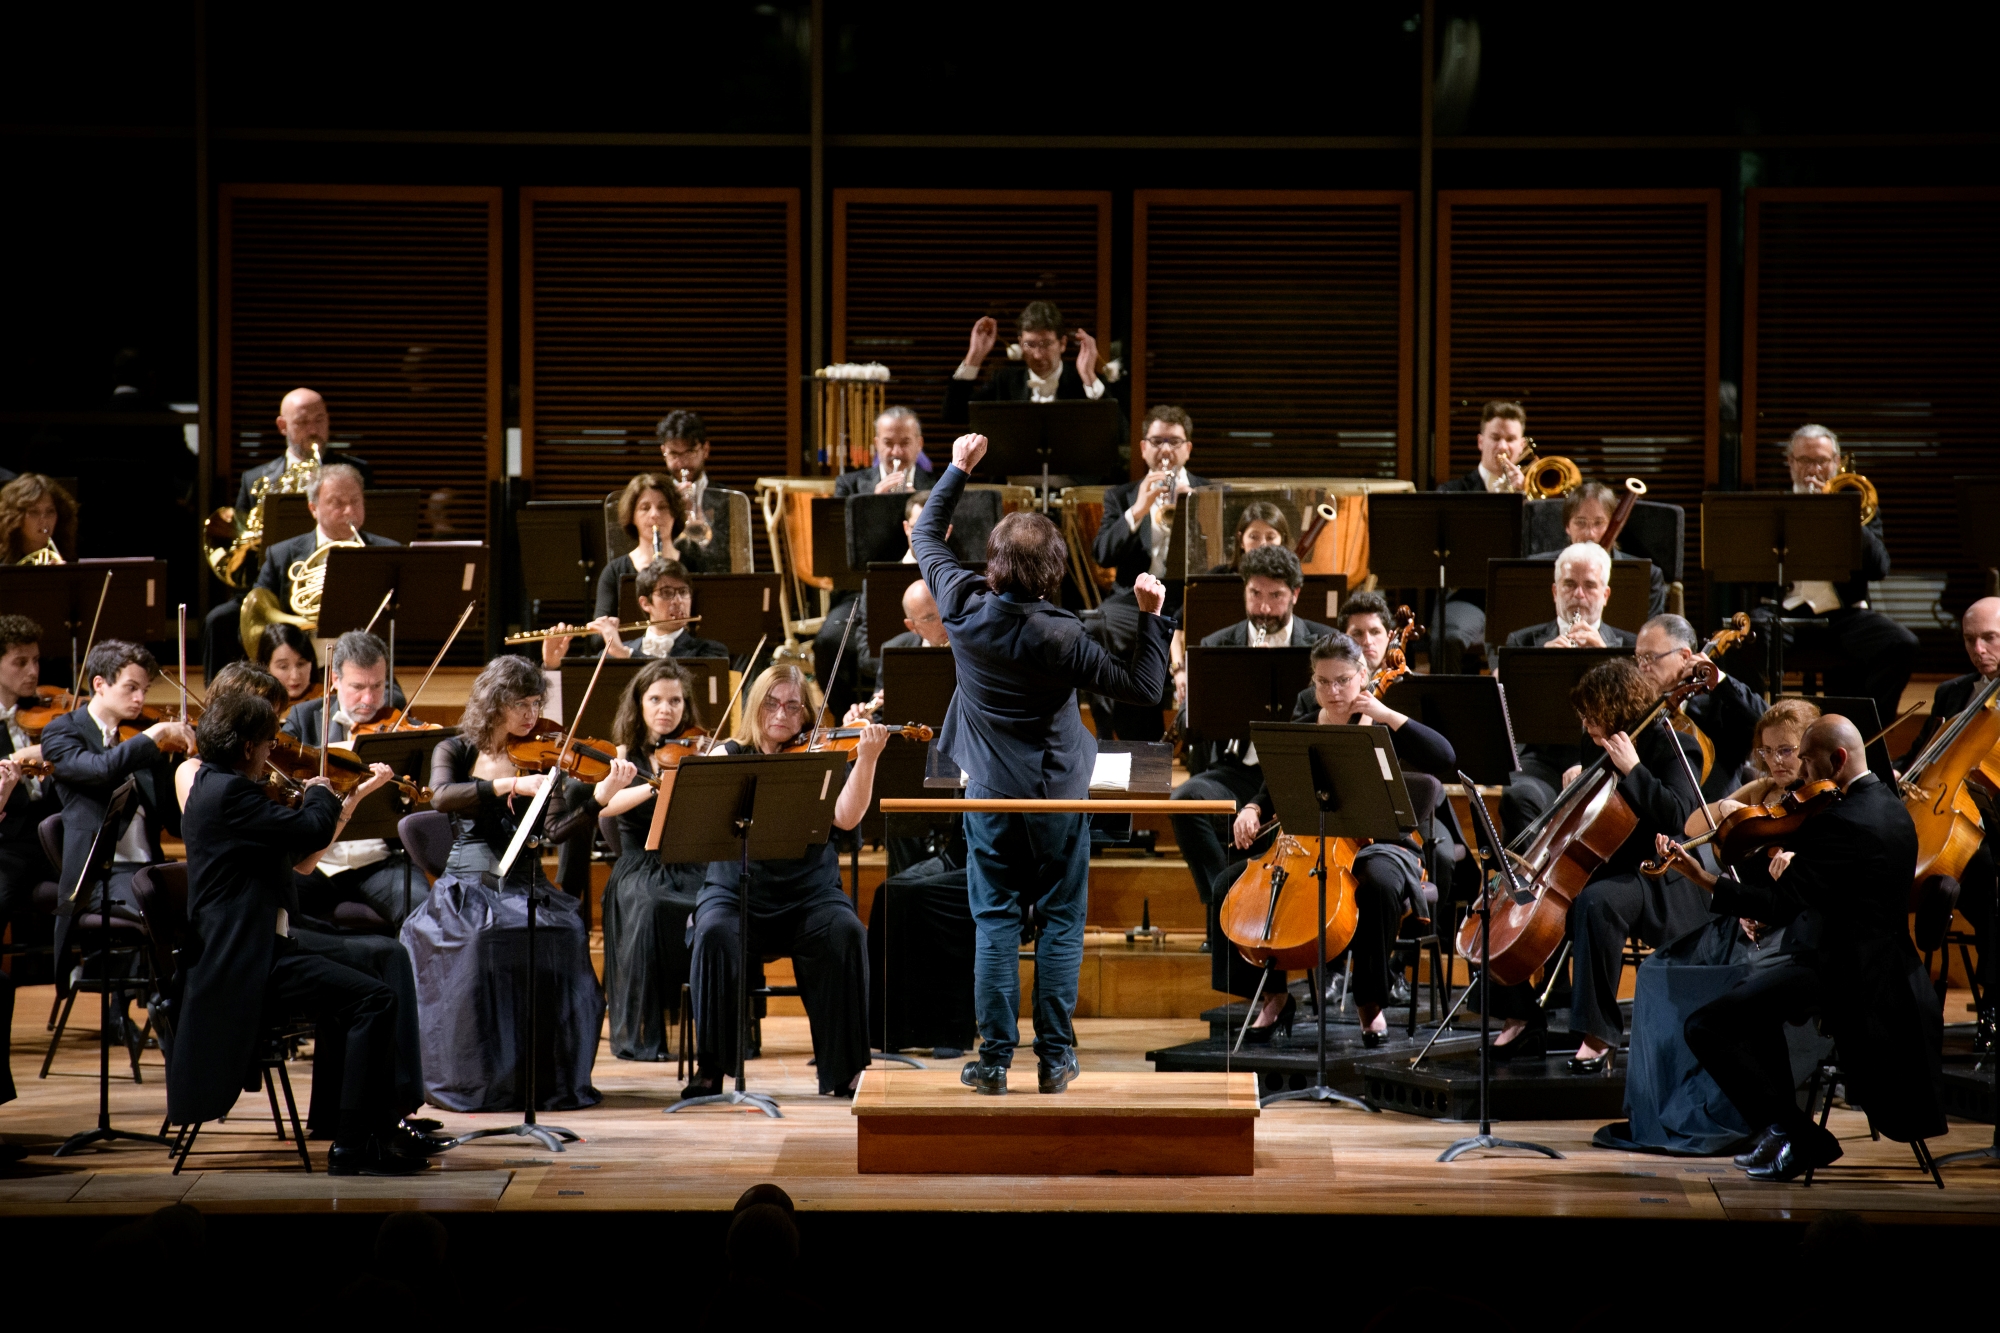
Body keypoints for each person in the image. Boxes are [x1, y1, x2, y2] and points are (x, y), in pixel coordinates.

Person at [913, 432, 1171, 1095]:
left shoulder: (963, 609)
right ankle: (1056, 1059)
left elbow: (926, 534)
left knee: (995, 919)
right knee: (1060, 919)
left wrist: (958, 469)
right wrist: (1151, 619)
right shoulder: (1066, 635)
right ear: (1054, 571)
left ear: (993, 565)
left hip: (991, 793)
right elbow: (1143, 688)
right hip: (1059, 794)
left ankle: (994, 1060)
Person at [1667, 715, 1947, 1181]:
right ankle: (1785, 1135)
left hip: (1849, 975)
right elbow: (1836, 890)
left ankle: (1800, 1135)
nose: (1801, 777)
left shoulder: (1841, 821)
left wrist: (1702, 877)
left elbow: (1782, 903)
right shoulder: (1888, 804)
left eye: (1810, 764)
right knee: (1754, 1006)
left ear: (1837, 760)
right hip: (1879, 963)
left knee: (1707, 1026)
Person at [166, 689, 427, 1175]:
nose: (272, 754)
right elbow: (307, 830)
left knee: (369, 977)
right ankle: (352, 1145)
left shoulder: (213, 784)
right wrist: (321, 792)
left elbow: (293, 854)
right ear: (247, 747)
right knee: (374, 1000)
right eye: (268, 743)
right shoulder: (231, 793)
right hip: (245, 961)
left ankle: (377, 1126)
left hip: (262, 945)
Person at [1593, 697, 1826, 1157]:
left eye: (1786, 751)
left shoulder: (1826, 806)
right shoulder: (1762, 794)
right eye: (1767, 752)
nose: (1776, 762)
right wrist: (1724, 812)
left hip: (1788, 935)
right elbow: (1696, 823)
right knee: (1657, 971)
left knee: (1722, 986)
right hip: (1741, 922)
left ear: (1810, 751)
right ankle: (1655, 1110)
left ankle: (1732, 1115)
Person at [1218, 634, 1458, 1045]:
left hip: (1381, 843)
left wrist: (1386, 714)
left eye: (1343, 680)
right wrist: (1253, 809)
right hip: (1311, 842)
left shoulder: (1382, 724)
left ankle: (1370, 1004)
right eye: (1323, 682)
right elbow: (1272, 787)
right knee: (1228, 885)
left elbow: (1446, 758)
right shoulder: (1301, 728)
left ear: (1363, 675)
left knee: (1379, 885)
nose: (1332, 692)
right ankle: (1274, 997)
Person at [401, 654, 611, 1113]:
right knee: (480, 939)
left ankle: (542, 1079)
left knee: (567, 932)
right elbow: (440, 797)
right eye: (522, 704)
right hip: (469, 884)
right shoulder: (455, 750)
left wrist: (597, 801)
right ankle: (478, 1079)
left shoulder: (540, 754)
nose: (532, 715)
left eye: (537, 703)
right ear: (495, 702)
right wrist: (507, 787)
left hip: (526, 882)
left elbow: (552, 833)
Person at [1484, 657, 1707, 1068]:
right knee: (1514, 896)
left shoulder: (1673, 743)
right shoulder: (1597, 740)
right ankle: (1519, 1014)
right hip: (1603, 860)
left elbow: (1677, 815)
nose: (1586, 726)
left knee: (1596, 903)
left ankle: (1598, 1033)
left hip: (1655, 872)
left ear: (1618, 709)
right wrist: (1580, 781)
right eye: (1584, 717)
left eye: (1592, 716)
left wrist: (1633, 769)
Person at [685, 664, 885, 1098]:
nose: (782, 714)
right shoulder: (728, 755)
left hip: (810, 895)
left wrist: (865, 758)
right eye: (772, 703)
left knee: (845, 931)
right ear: (755, 705)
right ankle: (712, 1068)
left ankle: (844, 1069)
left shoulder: (819, 758)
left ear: (806, 716)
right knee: (715, 931)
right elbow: (697, 819)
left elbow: (847, 818)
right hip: (736, 893)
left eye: (793, 706)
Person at [1169, 545, 1334, 1005]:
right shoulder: (1221, 645)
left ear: (1296, 595)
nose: (1263, 607)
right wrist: (1192, 699)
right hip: (1236, 768)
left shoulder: (1320, 644)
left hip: (1298, 774)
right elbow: (1195, 726)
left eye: (1275, 597)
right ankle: (1224, 909)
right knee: (1186, 803)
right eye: (1255, 594)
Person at [1727, 424, 1917, 735]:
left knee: (1900, 644)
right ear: (1789, 462)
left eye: (1822, 461)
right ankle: (1751, 734)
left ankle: (1868, 737)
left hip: (1843, 616)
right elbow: (1742, 572)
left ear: (1837, 462)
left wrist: (1847, 515)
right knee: (1741, 640)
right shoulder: (1770, 509)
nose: (1814, 469)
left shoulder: (1859, 507)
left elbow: (1880, 567)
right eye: (1804, 461)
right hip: (1781, 611)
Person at [1897, 596, 2000, 1048]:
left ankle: (1993, 1005)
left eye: (1990, 638)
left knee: (1988, 882)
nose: (1979, 649)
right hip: (1952, 823)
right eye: (1970, 639)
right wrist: (1897, 770)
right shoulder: (1952, 693)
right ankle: (1906, 1004)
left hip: (1994, 832)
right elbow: (1922, 755)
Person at [597, 659, 712, 1061]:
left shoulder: (697, 749)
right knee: (648, 909)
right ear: (640, 704)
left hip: (690, 863)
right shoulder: (624, 756)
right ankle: (642, 1036)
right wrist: (659, 784)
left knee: (718, 906)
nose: (666, 709)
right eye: (656, 699)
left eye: (676, 700)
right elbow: (607, 806)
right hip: (640, 866)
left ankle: (718, 1031)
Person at [43, 641, 195, 924]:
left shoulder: (145, 742)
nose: (140, 698)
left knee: (209, 906)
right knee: (164, 912)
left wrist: (189, 773)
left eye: (145, 690)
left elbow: (173, 822)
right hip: (98, 876)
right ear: (99, 684)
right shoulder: (62, 732)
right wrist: (157, 732)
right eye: (131, 687)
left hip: (150, 868)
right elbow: (100, 770)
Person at [281, 631, 424, 927]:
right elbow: (283, 781)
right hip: (316, 861)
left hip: (378, 861)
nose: (369, 699)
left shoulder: (397, 725)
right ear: (335, 680)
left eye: (378, 686)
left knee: (424, 910)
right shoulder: (305, 718)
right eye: (357, 687)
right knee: (272, 903)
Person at [1495, 543, 1637, 840]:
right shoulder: (1523, 643)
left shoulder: (1627, 646)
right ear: (1555, 591)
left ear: (1605, 594)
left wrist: (1607, 657)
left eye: (1589, 586)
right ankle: (1532, 884)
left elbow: (1641, 708)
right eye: (1570, 585)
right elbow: (1500, 708)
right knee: (1517, 797)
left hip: (1606, 758)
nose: (1579, 595)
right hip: (1541, 760)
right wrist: (1537, 664)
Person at [1089, 406, 1210, 740]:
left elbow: (1220, 559)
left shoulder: (1210, 492)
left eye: (1174, 441)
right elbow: (1103, 554)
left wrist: (1198, 510)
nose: (1166, 450)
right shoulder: (1121, 495)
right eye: (1157, 441)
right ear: (1143, 448)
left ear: (1188, 448)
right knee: (1100, 623)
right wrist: (1138, 509)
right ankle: (1117, 735)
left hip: (1191, 597)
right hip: (1137, 598)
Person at [1432, 400, 1530, 668]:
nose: (1503, 447)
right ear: (1480, 441)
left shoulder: (1534, 495)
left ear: (1522, 445)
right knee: (1448, 637)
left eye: (1511, 439)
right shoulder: (1452, 492)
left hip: (1519, 594)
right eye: (1495, 438)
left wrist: (1526, 503)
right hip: (1469, 594)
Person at [251, 463, 400, 626]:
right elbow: (256, 614)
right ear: (313, 508)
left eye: (355, 501)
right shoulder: (280, 556)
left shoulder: (390, 552)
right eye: (337, 503)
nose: (349, 510)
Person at [1635, 613, 1764, 800]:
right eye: (1639, 658)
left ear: (1684, 656)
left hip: (1716, 816)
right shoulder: (1641, 707)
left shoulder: (1719, 704)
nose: (1642, 667)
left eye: (1650, 657)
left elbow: (1768, 720)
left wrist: (1720, 681)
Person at [943, 300, 1108, 423]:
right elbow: (953, 414)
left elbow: (1121, 435)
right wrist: (975, 356)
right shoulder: (1005, 382)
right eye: (1030, 344)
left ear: (1062, 344)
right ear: (1020, 344)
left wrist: (1089, 377)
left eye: (1046, 344)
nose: (1037, 355)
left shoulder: (1084, 384)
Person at [0, 616, 59, 955]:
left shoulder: (46, 713)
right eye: (20, 662)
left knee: (108, 890)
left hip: (53, 835)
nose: (33, 671)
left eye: (36, 660)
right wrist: (16, 756)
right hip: (7, 843)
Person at [1528, 480, 1669, 617]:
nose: (1590, 533)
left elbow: (1651, 636)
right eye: (1580, 523)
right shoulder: (1535, 568)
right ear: (1567, 526)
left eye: (1598, 523)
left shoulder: (1648, 576)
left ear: (1614, 526)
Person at [592, 471, 711, 625]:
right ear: (632, 516)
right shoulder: (614, 572)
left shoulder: (695, 566)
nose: (654, 514)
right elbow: (597, 640)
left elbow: (709, 626)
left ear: (675, 513)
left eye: (663, 507)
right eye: (645, 508)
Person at [589, 560, 731, 661]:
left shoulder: (710, 652)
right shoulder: (614, 652)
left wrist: (627, 655)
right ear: (645, 603)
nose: (678, 601)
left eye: (683, 592)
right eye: (667, 593)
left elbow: (675, 678)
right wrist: (565, 656)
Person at [657, 410, 734, 562]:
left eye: (690, 452)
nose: (682, 463)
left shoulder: (726, 498)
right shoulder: (656, 497)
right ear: (663, 452)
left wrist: (701, 518)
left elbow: (727, 556)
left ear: (705, 450)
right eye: (674, 454)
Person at [833, 406, 937, 497]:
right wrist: (874, 503)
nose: (896, 452)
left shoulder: (940, 487)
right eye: (888, 443)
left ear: (919, 444)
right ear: (877, 444)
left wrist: (923, 507)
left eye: (905, 443)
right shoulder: (848, 485)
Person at [0, 473, 78, 562]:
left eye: (50, 511)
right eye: (34, 512)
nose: (44, 520)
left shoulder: (67, 557)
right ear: (16, 517)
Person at [1213, 501, 1292, 573]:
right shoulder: (1217, 577)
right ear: (1241, 540)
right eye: (1254, 537)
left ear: (1282, 540)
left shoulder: (1292, 579)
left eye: (1270, 537)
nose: (1263, 544)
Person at [255, 622, 319, 708]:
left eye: (301, 664)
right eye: (283, 667)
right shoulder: (256, 707)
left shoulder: (325, 700)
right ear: (266, 667)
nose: (295, 676)